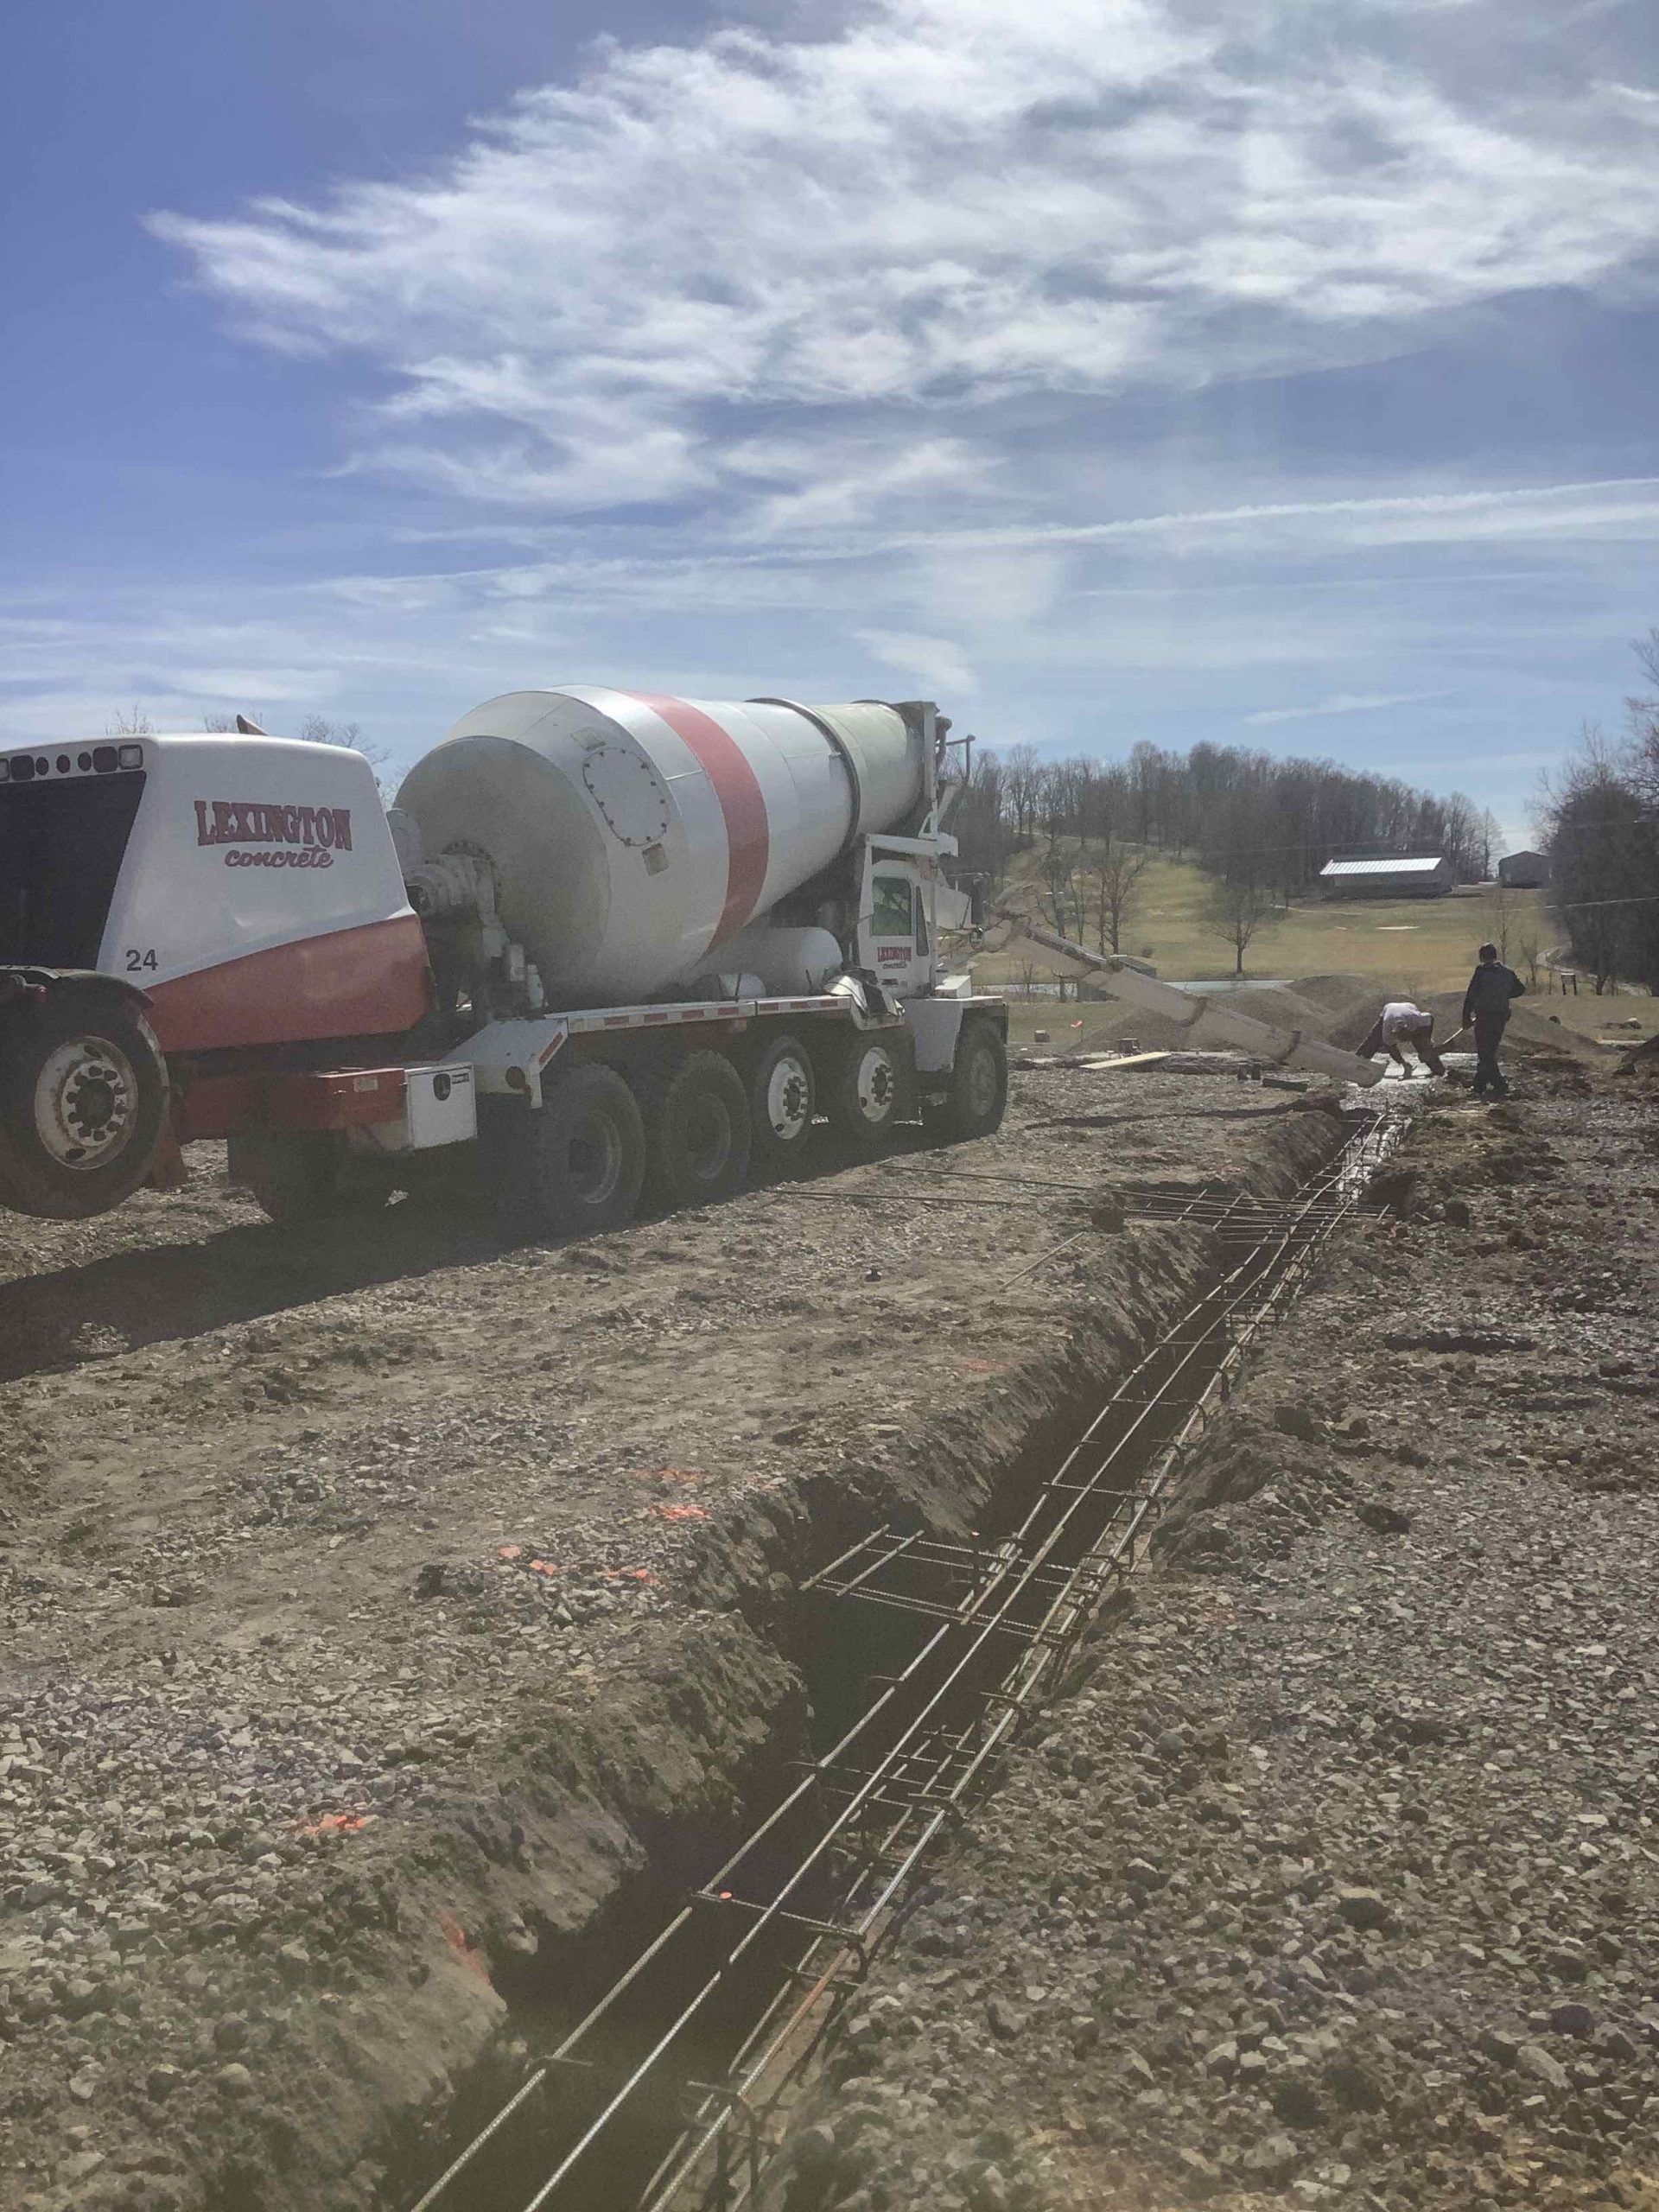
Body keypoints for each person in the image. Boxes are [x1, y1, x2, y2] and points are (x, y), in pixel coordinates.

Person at [1461, 943, 1526, 1096]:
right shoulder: (1508, 972)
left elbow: (1471, 996)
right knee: (1489, 1050)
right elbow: (1521, 989)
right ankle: (1480, 1084)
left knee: (1485, 1052)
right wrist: (1503, 995)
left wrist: (1466, 1017)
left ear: (1482, 957)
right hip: (1501, 1016)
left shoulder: (1481, 972)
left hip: (1484, 1016)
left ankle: (1498, 1084)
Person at [1359, 999, 1446, 1077]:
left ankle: (1438, 1070)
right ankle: (1359, 1061)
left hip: (1409, 1007)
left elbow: (1430, 1017)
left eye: (1406, 1039)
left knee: (1422, 1044)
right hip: (1389, 1009)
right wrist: (1404, 1064)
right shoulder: (1387, 1029)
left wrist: (1428, 1039)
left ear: (1409, 1030)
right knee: (1374, 1039)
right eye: (1400, 1039)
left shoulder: (1417, 1021)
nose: (1405, 1042)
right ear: (1395, 1034)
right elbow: (1391, 1048)